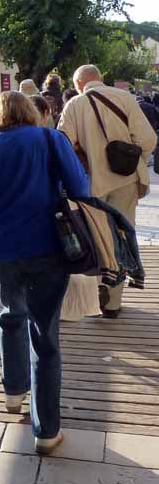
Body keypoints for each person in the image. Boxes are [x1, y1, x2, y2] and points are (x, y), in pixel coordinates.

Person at [0, 91, 89, 454]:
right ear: (32, 112)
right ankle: (46, 432)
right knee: (44, 336)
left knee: (12, 315)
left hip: (0, 253)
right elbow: (81, 188)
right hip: (47, 248)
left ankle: (13, 393)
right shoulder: (50, 139)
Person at [58, 64, 156, 318]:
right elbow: (148, 140)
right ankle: (113, 303)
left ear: (79, 84)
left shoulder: (75, 105)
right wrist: (132, 160)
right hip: (126, 182)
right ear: (100, 79)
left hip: (91, 185)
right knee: (121, 237)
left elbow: (62, 144)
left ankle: (95, 293)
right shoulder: (125, 98)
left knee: (96, 239)